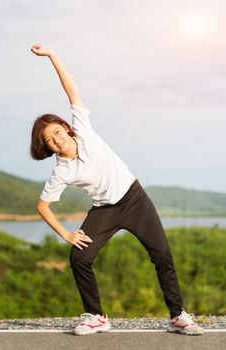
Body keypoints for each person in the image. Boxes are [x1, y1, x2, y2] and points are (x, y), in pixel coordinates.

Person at [30, 44, 203, 336]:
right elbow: (42, 206)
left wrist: (52, 56)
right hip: (105, 210)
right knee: (79, 258)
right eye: (50, 140)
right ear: (46, 147)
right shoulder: (61, 170)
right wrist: (67, 234)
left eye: (57, 131)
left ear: (66, 127)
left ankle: (177, 316)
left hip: (135, 199)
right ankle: (96, 316)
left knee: (162, 254)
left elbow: (71, 91)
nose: (57, 139)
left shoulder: (82, 129)